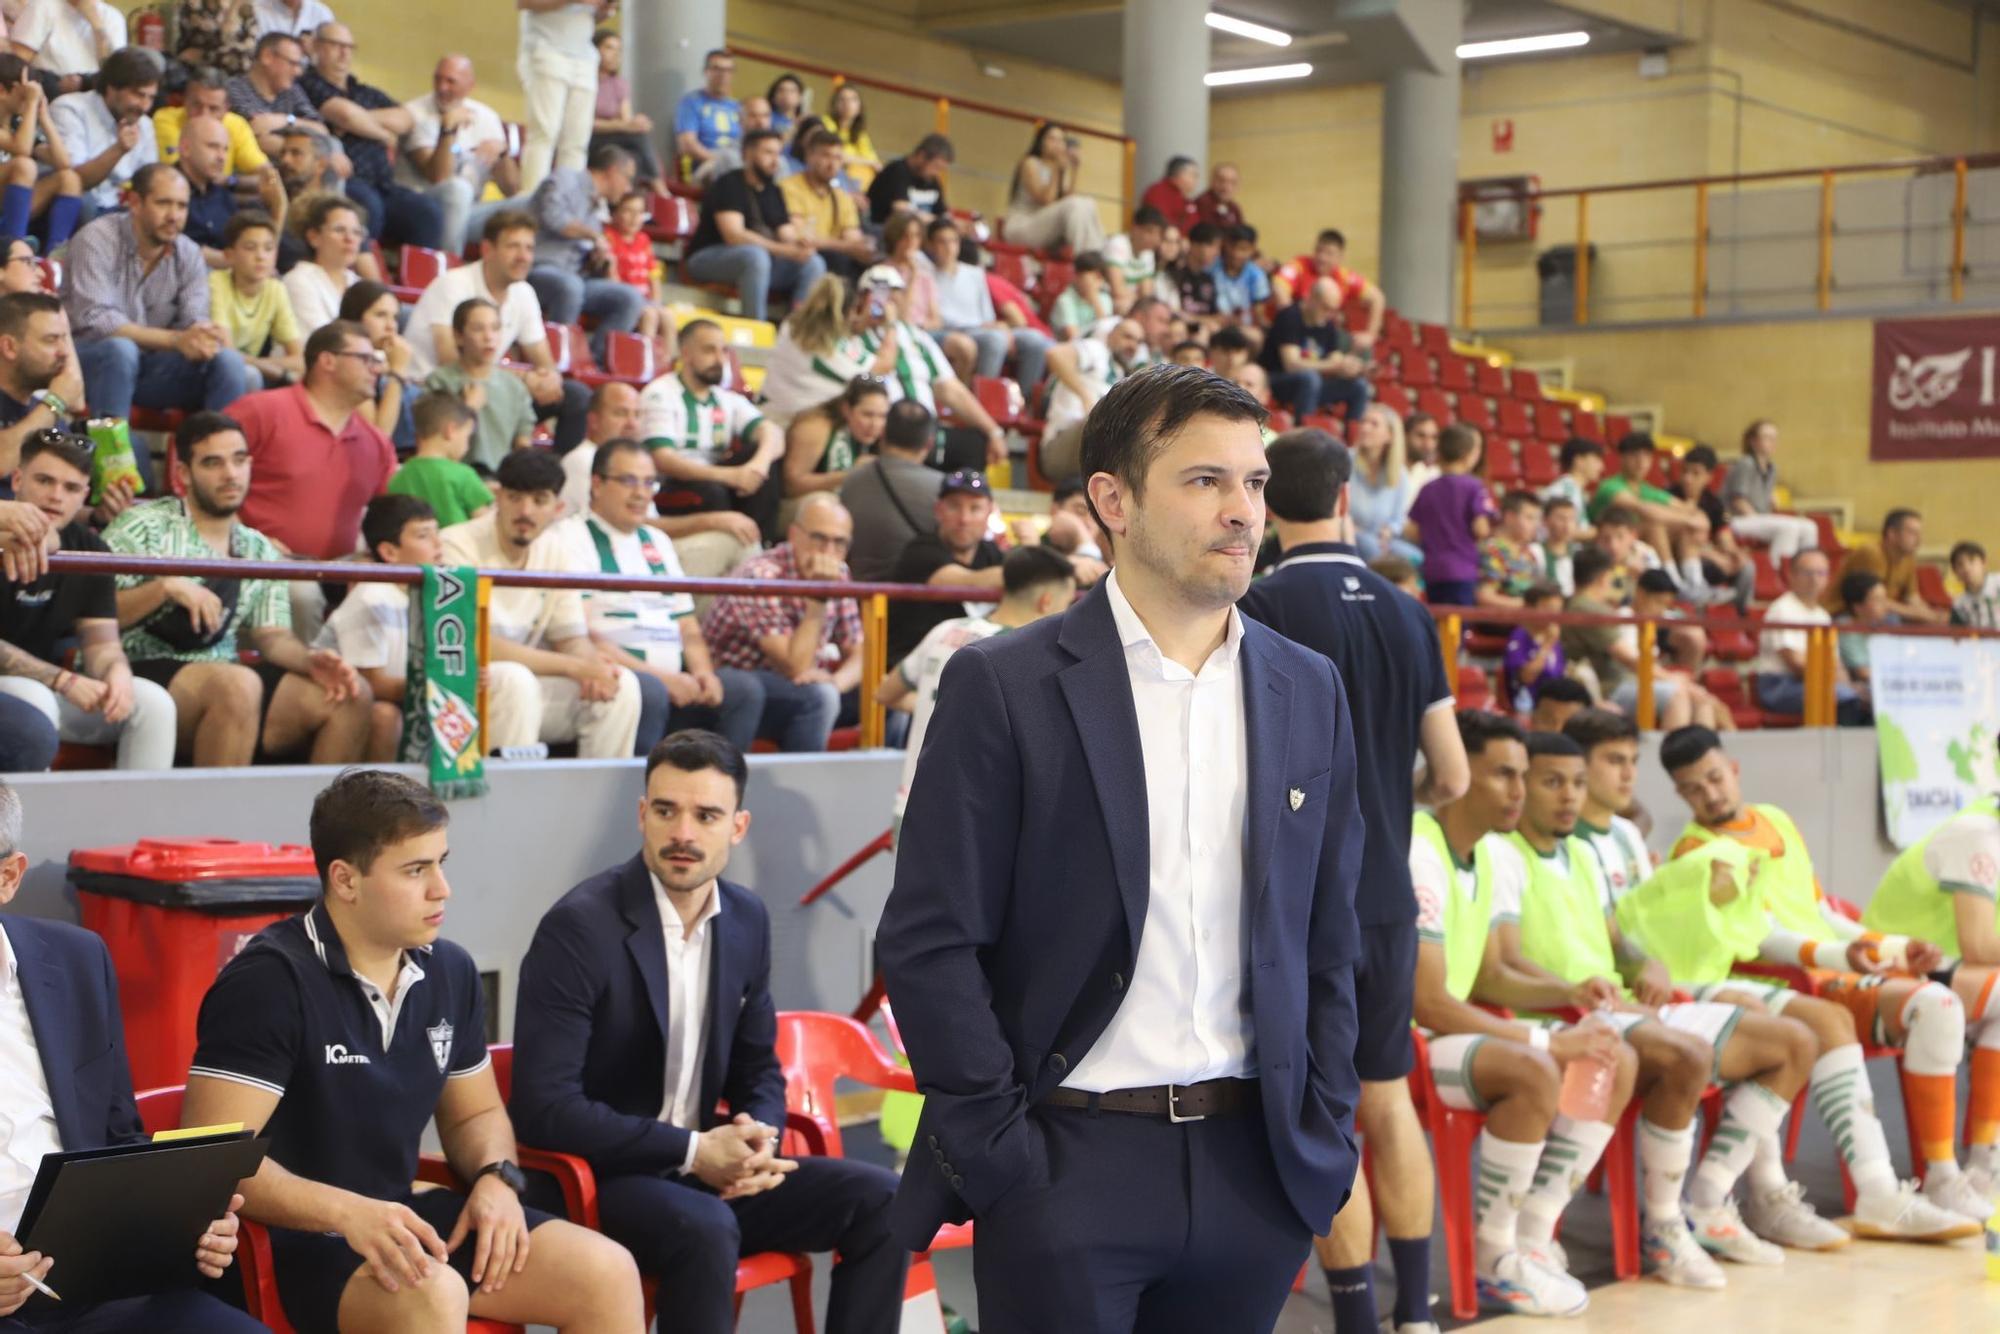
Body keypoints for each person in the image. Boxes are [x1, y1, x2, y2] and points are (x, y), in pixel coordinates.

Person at [876, 365, 1366, 1330]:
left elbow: (1331, 936)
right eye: (1204, 481)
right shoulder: (1002, 686)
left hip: (1252, 1171)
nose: (1242, 512)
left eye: (1255, 484)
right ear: (1113, 499)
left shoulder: (1308, 687)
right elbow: (929, 943)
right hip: (1064, 1166)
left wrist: (1324, 1127)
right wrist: (1002, 1156)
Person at [180, 768, 648, 1333]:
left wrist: (497, 1179)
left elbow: (475, 1112)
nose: (441, 889)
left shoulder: (449, 969)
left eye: (441, 864)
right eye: (415, 870)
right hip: (290, 1240)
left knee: (608, 1271)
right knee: (433, 1292)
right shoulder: (268, 982)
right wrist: (349, 1213)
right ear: (345, 880)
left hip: (398, 1212)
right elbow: (211, 1157)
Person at [509, 729, 906, 1331]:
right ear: (642, 815)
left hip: (707, 1170)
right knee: (706, 1228)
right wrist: (695, 1151)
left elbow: (758, 1067)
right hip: (602, 1179)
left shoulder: (746, 919)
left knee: (884, 1201)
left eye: (706, 815)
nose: (683, 834)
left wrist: (758, 1134)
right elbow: (545, 1109)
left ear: (737, 827)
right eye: (666, 811)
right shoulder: (578, 929)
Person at [1235, 427, 1469, 1332]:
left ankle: (1357, 1319)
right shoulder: (1409, 611)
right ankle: (1420, 1313)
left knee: (1321, 1115)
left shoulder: (1259, 604)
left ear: (1265, 502)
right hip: (1389, 899)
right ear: (1345, 497)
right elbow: (1451, 775)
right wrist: (1386, 798)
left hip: (1303, 903)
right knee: (1387, 1099)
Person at [1500, 729, 1845, 1278]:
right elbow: (1500, 966)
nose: (1569, 795)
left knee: (1794, 1041)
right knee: (1688, 1055)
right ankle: (1657, 1227)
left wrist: (1645, 966)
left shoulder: (1582, 854)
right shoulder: (1503, 854)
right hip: (1562, 1014)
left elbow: (1619, 943)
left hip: (1617, 1004)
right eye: (1552, 782)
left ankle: (1706, 1202)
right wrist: (1579, 994)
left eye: (1576, 784)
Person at [1659, 725, 1997, 1234]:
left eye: (1714, 778)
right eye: (1693, 789)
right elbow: (1760, 938)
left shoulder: (1774, 819)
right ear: (1679, 795)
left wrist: (1889, 947)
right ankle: (1919, 1182)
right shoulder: (1697, 852)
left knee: (1939, 1005)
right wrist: (1844, 955)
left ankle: (1949, 1173)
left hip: (1832, 964)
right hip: (1783, 979)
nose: (1710, 795)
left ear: (1733, 769)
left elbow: (1817, 909)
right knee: (1939, 1006)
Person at [0, 780, 269, 1330]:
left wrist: (190, 1220)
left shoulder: (74, 961)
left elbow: (119, 1140)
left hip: (96, 1282)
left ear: (8, 877)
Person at [1403, 710, 1629, 1316]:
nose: (1519, 791)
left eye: (1523, 776)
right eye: (1504, 774)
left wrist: (1570, 996)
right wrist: (1546, 1042)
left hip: (1449, 1025)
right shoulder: (1418, 848)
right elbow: (1426, 1002)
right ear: (1455, 775)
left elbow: (1490, 974)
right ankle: (1494, 1259)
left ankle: (1532, 1237)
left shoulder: (1494, 855)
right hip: (1397, 1047)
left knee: (1615, 1057)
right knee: (1537, 1071)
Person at [106, 411, 372, 765]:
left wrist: (309, 660)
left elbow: (272, 636)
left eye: (239, 460)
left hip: (224, 675)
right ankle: (217, 822)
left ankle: (326, 819)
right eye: (213, 463)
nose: (230, 474)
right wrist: (164, 587)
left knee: (351, 694)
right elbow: (93, 614)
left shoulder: (259, 548)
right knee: (238, 684)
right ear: (183, 473)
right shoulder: (142, 526)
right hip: (133, 669)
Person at [556, 437, 760, 755]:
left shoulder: (658, 540)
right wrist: (665, 679)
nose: (641, 493)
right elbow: (582, 634)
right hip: (628, 678)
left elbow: (687, 624)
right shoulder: (570, 536)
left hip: (674, 678)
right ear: (596, 484)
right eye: (628, 481)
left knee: (742, 690)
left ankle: (720, 796)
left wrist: (703, 674)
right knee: (646, 690)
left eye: (649, 482)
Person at [442, 448, 643, 758]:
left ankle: (595, 805)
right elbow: (472, 643)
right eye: (515, 498)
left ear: (557, 508)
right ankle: (506, 805)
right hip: (464, 685)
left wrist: (592, 668)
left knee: (621, 685)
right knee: (515, 680)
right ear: (498, 497)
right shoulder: (455, 545)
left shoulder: (557, 551)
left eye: (539, 500)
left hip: (527, 686)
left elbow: (571, 638)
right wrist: (576, 666)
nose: (526, 511)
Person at [1864, 740, 2000, 1194]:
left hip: (1957, 971)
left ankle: (1986, 1156)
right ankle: (1974, 1165)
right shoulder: (1978, 833)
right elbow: (1979, 943)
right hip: (1894, 968)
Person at [65, 164, 248, 491]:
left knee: (231, 365)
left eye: (181, 206)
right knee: (119, 351)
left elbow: (194, 319)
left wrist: (204, 338)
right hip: (88, 362)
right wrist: (177, 339)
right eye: (164, 203)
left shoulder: (188, 253)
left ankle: (207, 485)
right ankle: (114, 480)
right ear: (135, 203)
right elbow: (95, 321)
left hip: (150, 368)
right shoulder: (98, 238)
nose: (174, 215)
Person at [0, 430, 174, 767]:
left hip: (49, 683)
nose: (55, 496)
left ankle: (141, 820)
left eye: (71, 488)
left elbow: (102, 643)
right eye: (44, 480)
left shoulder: (91, 549)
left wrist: (116, 671)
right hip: (29, 690)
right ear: (17, 479)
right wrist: (61, 680)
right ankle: (29, 819)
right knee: (37, 700)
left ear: (85, 496)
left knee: (152, 702)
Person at [881, 545, 1075, 839]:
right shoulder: (1027, 657)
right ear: (1047, 602)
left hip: (910, 807)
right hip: (971, 826)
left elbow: (885, 693)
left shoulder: (944, 631)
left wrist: (934, 707)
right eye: (1068, 603)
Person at [761, 270, 1005, 468]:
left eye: (894, 292)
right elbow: (880, 367)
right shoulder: (844, 342)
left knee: (974, 445)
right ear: (859, 302)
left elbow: (951, 389)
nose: (886, 300)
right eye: (878, 292)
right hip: (877, 428)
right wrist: (884, 326)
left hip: (922, 425)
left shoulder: (918, 338)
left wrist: (993, 431)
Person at [404, 209, 588, 453]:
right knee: (482, 391)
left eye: (529, 248)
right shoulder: (453, 285)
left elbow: (544, 361)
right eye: (513, 247)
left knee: (575, 396)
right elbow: (453, 361)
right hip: (437, 390)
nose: (523, 257)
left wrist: (549, 380)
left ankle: (545, 480)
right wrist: (523, 378)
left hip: (490, 386)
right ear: (487, 249)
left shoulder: (524, 292)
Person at [700, 493, 862, 753]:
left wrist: (837, 682)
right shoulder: (762, 574)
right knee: (817, 697)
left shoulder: (839, 572)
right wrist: (818, 601)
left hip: (791, 684)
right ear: (794, 534)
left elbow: (860, 652)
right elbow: (794, 667)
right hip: (732, 681)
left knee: (878, 695)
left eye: (839, 543)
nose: (828, 553)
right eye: (819, 539)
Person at [232, 318, 394, 568]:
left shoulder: (376, 442)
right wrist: (245, 541)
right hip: (258, 568)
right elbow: (194, 472)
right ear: (328, 361)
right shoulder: (260, 411)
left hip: (340, 574)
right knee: (303, 596)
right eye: (365, 359)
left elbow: (389, 517)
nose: (376, 370)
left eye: (377, 361)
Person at [311, 493, 439, 760]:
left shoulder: (438, 596)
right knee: (384, 717)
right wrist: (440, 684)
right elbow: (371, 685)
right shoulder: (371, 596)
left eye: (437, 533)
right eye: (424, 536)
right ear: (389, 552)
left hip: (400, 701)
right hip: (333, 702)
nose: (439, 544)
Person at [298, 23, 445, 253]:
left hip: (383, 183)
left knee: (427, 212)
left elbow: (406, 119)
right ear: (317, 48)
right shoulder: (308, 84)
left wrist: (360, 120)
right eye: (336, 45)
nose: (344, 53)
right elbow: (344, 114)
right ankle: (361, 275)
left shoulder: (364, 91)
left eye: (349, 47)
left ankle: (423, 281)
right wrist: (383, 134)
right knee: (368, 207)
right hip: (344, 180)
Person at [640, 317, 785, 541]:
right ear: (686, 353)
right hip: (670, 486)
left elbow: (774, 434)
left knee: (762, 457)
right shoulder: (660, 393)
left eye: (724, 351)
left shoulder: (726, 398)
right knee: (712, 489)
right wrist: (729, 476)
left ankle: (762, 546)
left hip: (717, 479)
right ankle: (727, 548)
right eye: (709, 351)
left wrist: (757, 466)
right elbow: (662, 459)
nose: (720, 359)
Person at [683, 128, 825, 324]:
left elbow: (786, 232)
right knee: (755, 256)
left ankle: (795, 333)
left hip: (760, 262)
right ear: (748, 154)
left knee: (813, 263)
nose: (776, 161)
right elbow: (734, 236)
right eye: (768, 153)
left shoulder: (774, 191)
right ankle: (755, 328)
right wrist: (783, 250)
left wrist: (800, 244)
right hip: (707, 258)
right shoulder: (728, 183)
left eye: (778, 153)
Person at [525, 142, 645, 361]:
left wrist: (598, 261)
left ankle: (592, 363)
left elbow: (587, 258)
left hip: (576, 277)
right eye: (627, 178)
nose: (628, 188)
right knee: (570, 287)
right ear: (612, 172)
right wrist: (593, 235)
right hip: (537, 268)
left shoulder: (598, 208)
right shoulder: (566, 178)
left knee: (630, 298)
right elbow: (553, 217)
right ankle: (556, 360)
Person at [399, 53, 518, 258]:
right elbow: (439, 177)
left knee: (528, 203)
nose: (442, 88)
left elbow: (512, 189)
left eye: (450, 81)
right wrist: (448, 127)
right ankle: (448, 269)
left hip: (471, 212)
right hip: (423, 206)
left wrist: (504, 153)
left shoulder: (487, 117)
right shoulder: (416, 113)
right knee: (458, 189)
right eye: (438, 79)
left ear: (470, 86)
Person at [1561, 546, 1692, 727]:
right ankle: (1673, 755)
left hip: (1622, 682)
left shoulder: (1589, 606)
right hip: (1609, 688)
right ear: (1604, 577)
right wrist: (1670, 678)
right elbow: (1629, 659)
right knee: (1677, 695)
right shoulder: (1586, 610)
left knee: (1702, 700)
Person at [886, 467, 1004, 664]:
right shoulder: (920, 550)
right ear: (938, 510)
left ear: (989, 512)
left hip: (973, 667)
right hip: (910, 669)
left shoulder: (992, 553)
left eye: (975, 508)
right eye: (954, 506)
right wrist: (1030, 570)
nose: (964, 519)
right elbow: (966, 582)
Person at [925, 215, 1047, 390]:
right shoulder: (928, 276)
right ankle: (984, 398)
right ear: (930, 245)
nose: (948, 248)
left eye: (953, 241)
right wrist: (987, 328)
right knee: (995, 339)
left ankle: (1024, 401)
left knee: (1035, 339)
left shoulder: (975, 273)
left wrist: (1000, 328)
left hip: (982, 328)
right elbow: (940, 318)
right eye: (942, 242)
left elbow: (987, 313)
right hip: (957, 331)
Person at [1749, 547, 1866, 724]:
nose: (1814, 579)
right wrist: (1840, 684)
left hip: (1817, 681)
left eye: (1821, 573)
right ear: (1791, 575)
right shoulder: (1782, 610)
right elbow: (1797, 663)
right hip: (1781, 685)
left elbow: (1835, 662)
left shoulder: (1823, 615)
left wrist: (1849, 685)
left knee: (1868, 698)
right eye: (1807, 573)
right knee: (1845, 698)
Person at [838, 398, 944, 582]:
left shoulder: (851, 482)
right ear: (929, 444)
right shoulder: (943, 488)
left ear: (883, 434)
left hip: (857, 595)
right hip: (916, 599)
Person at [425, 297, 537, 469]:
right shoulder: (439, 381)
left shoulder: (514, 387)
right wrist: (467, 409)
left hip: (500, 481)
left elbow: (523, 443)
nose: (489, 337)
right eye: (478, 329)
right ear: (458, 336)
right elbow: (435, 444)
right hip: (453, 475)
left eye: (495, 328)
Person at [47, 44, 157, 219]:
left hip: (122, 209)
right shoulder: (70, 109)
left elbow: (150, 181)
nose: (144, 106)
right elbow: (76, 180)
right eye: (138, 95)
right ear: (111, 88)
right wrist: (118, 150)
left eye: (150, 97)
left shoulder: (144, 124)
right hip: (81, 206)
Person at [1038, 315, 1147, 483]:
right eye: (1127, 337)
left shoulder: (1121, 374)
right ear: (1111, 335)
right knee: (1107, 418)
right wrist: (1084, 395)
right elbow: (1055, 354)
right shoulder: (1096, 349)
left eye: (1138, 342)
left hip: (1094, 455)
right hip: (1061, 446)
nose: (1133, 345)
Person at [0, 292, 89, 492]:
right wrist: (55, 402)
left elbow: (58, 498)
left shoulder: (50, 417)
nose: (64, 352)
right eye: (51, 340)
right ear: (9, 347)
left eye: (64, 339)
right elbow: (2, 462)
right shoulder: (50, 409)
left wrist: (96, 515)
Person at [1404, 424, 1495, 607]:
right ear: (1468, 455)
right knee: (1457, 627)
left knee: (1437, 624)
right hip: (1463, 570)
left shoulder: (1427, 488)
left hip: (1433, 571)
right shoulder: (1474, 487)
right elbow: (1481, 529)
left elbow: (1411, 531)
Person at [516, 0, 601, 193]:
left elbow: (591, 15)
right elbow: (523, 3)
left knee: (577, 142)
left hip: (584, 57)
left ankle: (566, 203)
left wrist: (603, 7)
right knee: (544, 134)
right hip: (547, 49)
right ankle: (532, 201)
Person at [210, 211, 303, 387]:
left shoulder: (276, 289)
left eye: (268, 248)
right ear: (229, 255)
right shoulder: (216, 282)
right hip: (215, 370)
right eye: (250, 248)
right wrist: (272, 368)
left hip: (254, 369)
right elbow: (227, 354)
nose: (261, 256)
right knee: (250, 374)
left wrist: (261, 365)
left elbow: (299, 360)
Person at [178, 115, 284, 266]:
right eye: (212, 146)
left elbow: (248, 241)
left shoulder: (220, 191)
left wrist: (279, 206)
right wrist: (240, 262)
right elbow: (175, 246)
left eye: (225, 149)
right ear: (185, 148)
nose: (222, 157)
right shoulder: (168, 189)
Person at [1261, 275, 1367, 422]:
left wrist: (1347, 366)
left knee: (1359, 386)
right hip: (1276, 380)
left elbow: (1335, 357)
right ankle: (1304, 433)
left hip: (1309, 386)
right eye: (1325, 308)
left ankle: (1353, 438)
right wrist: (1333, 365)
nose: (1329, 314)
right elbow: (1291, 364)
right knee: (1310, 378)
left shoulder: (1327, 323)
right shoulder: (1290, 317)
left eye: (1333, 310)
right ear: (1311, 298)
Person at [780, 127, 875, 282]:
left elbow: (853, 238)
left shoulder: (842, 197)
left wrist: (864, 248)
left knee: (872, 266)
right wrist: (847, 246)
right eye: (826, 156)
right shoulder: (789, 187)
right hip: (797, 257)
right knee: (837, 260)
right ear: (809, 156)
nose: (832, 164)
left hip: (832, 255)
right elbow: (801, 238)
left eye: (837, 158)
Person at [1589, 434, 1700, 565]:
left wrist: (1692, 518)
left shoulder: (1647, 489)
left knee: (1686, 530)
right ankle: (1670, 579)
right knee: (1654, 526)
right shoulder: (1610, 486)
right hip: (1606, 542)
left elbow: (1689, 510)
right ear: (1622, 458)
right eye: (1635, 456)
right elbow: (1648, 511)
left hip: (1632, 540)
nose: (1641, 462)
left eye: (1646, 456)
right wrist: (1690, 520)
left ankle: (1694, 581)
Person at [387, 390, 490, 527]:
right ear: (450, 431)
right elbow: (485, 525)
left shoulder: (397, 478)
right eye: (467, 436)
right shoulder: (464, 475)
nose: (467, 445)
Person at [1721, 419, 1819, 561]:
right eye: (1767, 437)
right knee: (1788, 528)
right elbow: (1738, 501)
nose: (1773, 442)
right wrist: (1760, 520)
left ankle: (1806, 565)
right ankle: (1779, 573)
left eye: (1774, 438)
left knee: (1810, 527)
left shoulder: (1772, 468)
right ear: (1753, 442)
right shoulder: (1746, 463)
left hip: (1758, 518)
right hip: (1736, 519)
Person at [1003, 121, 1104, 255]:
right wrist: (1057, 169)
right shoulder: (1030, 163)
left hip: (1045, 228)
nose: (1057, 144)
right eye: (1052, 139)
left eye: (1061, 140)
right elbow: (1046, 200)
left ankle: (1097, 256)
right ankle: (1085, 260)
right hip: (1022, 227)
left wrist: (1075, 169)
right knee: (1075, 204)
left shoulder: (1060, 167)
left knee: (1088, 203)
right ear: (1041, 142)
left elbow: (1070, 201)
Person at [1273, 228, 1385, 348]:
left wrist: (1371, 335)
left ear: (1340, 257)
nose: (1322, 258)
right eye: (1319, 251)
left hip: (1325, 335)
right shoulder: (1298, 265)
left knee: (1361, 347)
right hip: (1293, 333)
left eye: (1329, 254)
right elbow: (1279, 287)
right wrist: (1294, 322)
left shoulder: (1345, 277)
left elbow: (1377, 298)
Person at [1830, 507, 1945, 623]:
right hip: (1842, 614)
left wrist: (1934, 616)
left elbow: (1912, 598)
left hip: (1877, 611)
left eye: (1919, 533)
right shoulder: (1871, 553)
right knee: (1892, 620)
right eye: (1912, 533)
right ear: (1892, 534)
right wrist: (1923, 615)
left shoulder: (1908, 558)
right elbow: (1875, 601)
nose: (1919, 540)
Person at [338, 278, 414, 447]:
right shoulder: (346, 362)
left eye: (394, 317)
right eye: (380, 315)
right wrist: (397, 372)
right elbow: (378, 437)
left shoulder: (377, 362)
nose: (391, 326)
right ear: (355, 318)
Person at [783, 374, 886, 498]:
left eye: (882, 416)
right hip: (804, 505)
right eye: (867, 415)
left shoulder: (885, 432)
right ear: (846, 409)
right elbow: (790, 487)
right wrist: (847, 475)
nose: (875, 424)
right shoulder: (815, 427)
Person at [226, 33, 323, 159]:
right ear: (267, 57)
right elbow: (257, 129)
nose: (298, 72)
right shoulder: (235, 88)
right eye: (292, 63)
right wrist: (305, 151)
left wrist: (286, 120)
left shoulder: (292, 90)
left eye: (299, 65)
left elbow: (321, 130)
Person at [1346, 404, 1421, 565]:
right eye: (1363, 422)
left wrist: (1389, 531)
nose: (1365, 428)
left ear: (1390, 435)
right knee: (1371, 548)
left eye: (1374, 424)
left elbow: (1398, 520)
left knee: (1417, 558)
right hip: (1348, 535)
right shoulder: (1345, 461)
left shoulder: (1400, 474)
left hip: (1380, 539)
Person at [584, 28, 659, 186]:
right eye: (609, 48)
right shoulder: (584, 82)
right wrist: (623, 125)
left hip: (613, 139)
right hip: (589, 139)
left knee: (634, 155)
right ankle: (657, 183)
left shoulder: (619, 84)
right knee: (636, 138)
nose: (616, 54)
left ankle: (627, 199)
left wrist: (635, 123)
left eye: (619, 50)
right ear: (594, 50)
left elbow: (626, 120)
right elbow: (585, 124)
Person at [281, 193, 365, 333]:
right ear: (314, 237)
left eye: (356, 232)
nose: (350, 238)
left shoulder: (359, 284)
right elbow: (322, 340)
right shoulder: (298, 280)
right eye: (339, 230)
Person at [8, 0, 124, 82]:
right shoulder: (42, 6)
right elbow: (17, 64)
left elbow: (114, 74)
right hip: (51, 92)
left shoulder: (114, 17)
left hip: (95, 95)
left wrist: (96, 24)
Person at [1498, 583, 1567, 713]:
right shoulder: (1519, 637)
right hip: (1528, 708)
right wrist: (1546, 646)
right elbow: (1526, 677)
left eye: (1558, 610)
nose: (1554, 616)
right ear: (1528, 608)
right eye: (1548, 609)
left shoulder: (1552, 637)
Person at [673, 47, 740, 183]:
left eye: (728, 70)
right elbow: (687, 144)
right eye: (717, 69)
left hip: (736, 162)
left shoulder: (738, 107)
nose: (723, 75)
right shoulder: (691, 102)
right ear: (706, 72)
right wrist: (722, 161)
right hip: (705, 165)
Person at [1476, 490, 1546, 610]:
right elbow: (1484, 596)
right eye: (1529, 518)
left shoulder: (1528, 552)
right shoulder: (1493, 550)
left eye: (1537, 519)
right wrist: (1525, 606)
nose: (1535, 525)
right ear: (1510, 517)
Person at [867, 133, 951, 226]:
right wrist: (936, 221)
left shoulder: (932, 180)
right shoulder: (897, 171)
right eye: (936, 167)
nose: (937, 173)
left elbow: (942, 212)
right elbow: (901, 208)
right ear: (921, 156)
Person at [1100, 204, 1165, 311]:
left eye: (1158, 233)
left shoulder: (1148, 253)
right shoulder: (1117, 243)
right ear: (1135, 228)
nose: (1155, 238)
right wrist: (1139, 301)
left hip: (1132, 302)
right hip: (1108, 300)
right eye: (1150, 231)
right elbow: (1117, 291)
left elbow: (1146, 293)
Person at [173, 3, 260, 79]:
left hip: (233, 74)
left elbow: (248, 51)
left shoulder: (245, 9)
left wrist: (204, 55)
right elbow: (183, 53)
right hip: (197, 72)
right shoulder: (192, 6)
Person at [1210, 223, 1271, 330]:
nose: (1235, 254)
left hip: (1244, 329)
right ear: (1225, 244)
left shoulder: (1256, 275)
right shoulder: (1211, 269)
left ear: (1252, 249)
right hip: (1213, 324)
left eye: (1243, 249)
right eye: (1232, 247)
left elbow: (1259, 314)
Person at [1049, 250, 1112, 342]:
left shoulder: (1105, 299)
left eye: (1099, 277)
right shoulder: (1065, 300)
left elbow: (1108, 332)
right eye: (1093, 276)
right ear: (1077, 276)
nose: (1097, 281)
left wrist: (1095, 301)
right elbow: (1073, 337)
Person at [1139, 154, 1200, 234]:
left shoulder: (1185, 198)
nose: (1196, 180)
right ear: (1179, 174)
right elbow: (1161, 223)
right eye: (1193, 175)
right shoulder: (1158, 192)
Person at [1952, 540, 2000, 628]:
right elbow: (1957, 635)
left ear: (1984, 563)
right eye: (1960, 564)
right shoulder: (1959, 605)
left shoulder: (1998, 583)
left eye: (1972, 561)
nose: (1966, 568)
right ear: (1955, 572)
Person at [1194, 161, 1244, 230]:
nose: (1226, 187)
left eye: (1233, 182)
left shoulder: (1234, 208)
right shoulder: (1202, 204)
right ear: (1211, 181)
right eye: (1221, 181)